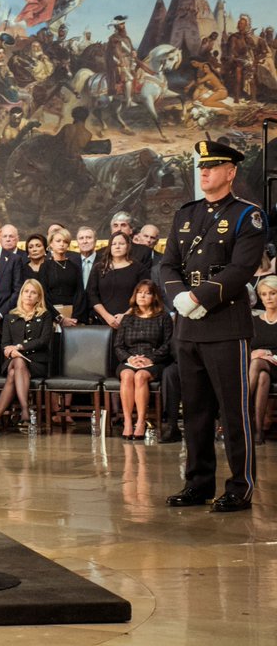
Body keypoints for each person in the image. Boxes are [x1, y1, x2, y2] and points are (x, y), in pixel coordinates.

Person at [162, 140, 266, 513]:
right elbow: (168, 265)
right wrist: (180, 299)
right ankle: (198, 483)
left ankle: (240, 486)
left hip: (225, 325)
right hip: (188, 327)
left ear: (231, 171)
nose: (203, 171)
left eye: (213, 165)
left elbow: (241, 269)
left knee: (232, 411)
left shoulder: (247, 216)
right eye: (202, 166)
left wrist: (200, 298)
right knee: (195, 411)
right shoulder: (185, 214)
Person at [0, 279, 53, 436]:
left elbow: (43, 341)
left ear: (39, 297)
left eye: (33, 292)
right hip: (13, 361)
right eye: (26, 292)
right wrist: (11, 352)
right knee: (17, 362)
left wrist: (19, 348)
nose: (29, 295)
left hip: (37, 362)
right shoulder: (10, 316)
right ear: (21, 294)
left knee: (13, 374)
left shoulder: (45, 315)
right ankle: (25, 408)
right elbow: (5, 344)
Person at [114, 280, 172, 441]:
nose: (142, 296)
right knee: (127, 376)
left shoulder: (163, 317)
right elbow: (118, 345)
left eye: (147, 293)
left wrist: (150, 359)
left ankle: (140, 422)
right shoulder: (128, 318)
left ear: (154, 297)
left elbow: (168, 344)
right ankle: (127, 422)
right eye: (139, 292)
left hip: (154, 361)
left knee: (140, 376)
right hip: (129, 359)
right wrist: (130, 358)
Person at [89, 232, 149, 328]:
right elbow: (92, 295)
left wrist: (125, 316)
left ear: (128, 246)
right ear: (110, 247)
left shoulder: (139, 268)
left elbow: (144, 294)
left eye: (121, 244)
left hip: (132, 321)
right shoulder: (99, 268)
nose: (117, 247)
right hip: (102, 321)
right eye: (114, 244)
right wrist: (107, 317)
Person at [248, 276, 277, 445]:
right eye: (264, 294)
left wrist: (267, 353)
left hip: (275, 364)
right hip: (261, 368)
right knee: (262, 376)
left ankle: (240, 406)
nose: (268, 298)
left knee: (258, 363)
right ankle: (258, 432)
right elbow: (248, 347)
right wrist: (253, 353)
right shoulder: (255, 321)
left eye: (272, 293)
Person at [41, 228, 81, 326]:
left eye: (65, 241)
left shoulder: (74, 266)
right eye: (58, 241)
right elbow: (43, 295)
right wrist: (59, 318)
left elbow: (80, 293)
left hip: (73, 317)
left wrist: (74, 318)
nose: (62, 244)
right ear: (51, 244)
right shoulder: (45, 266)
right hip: (52, 317)